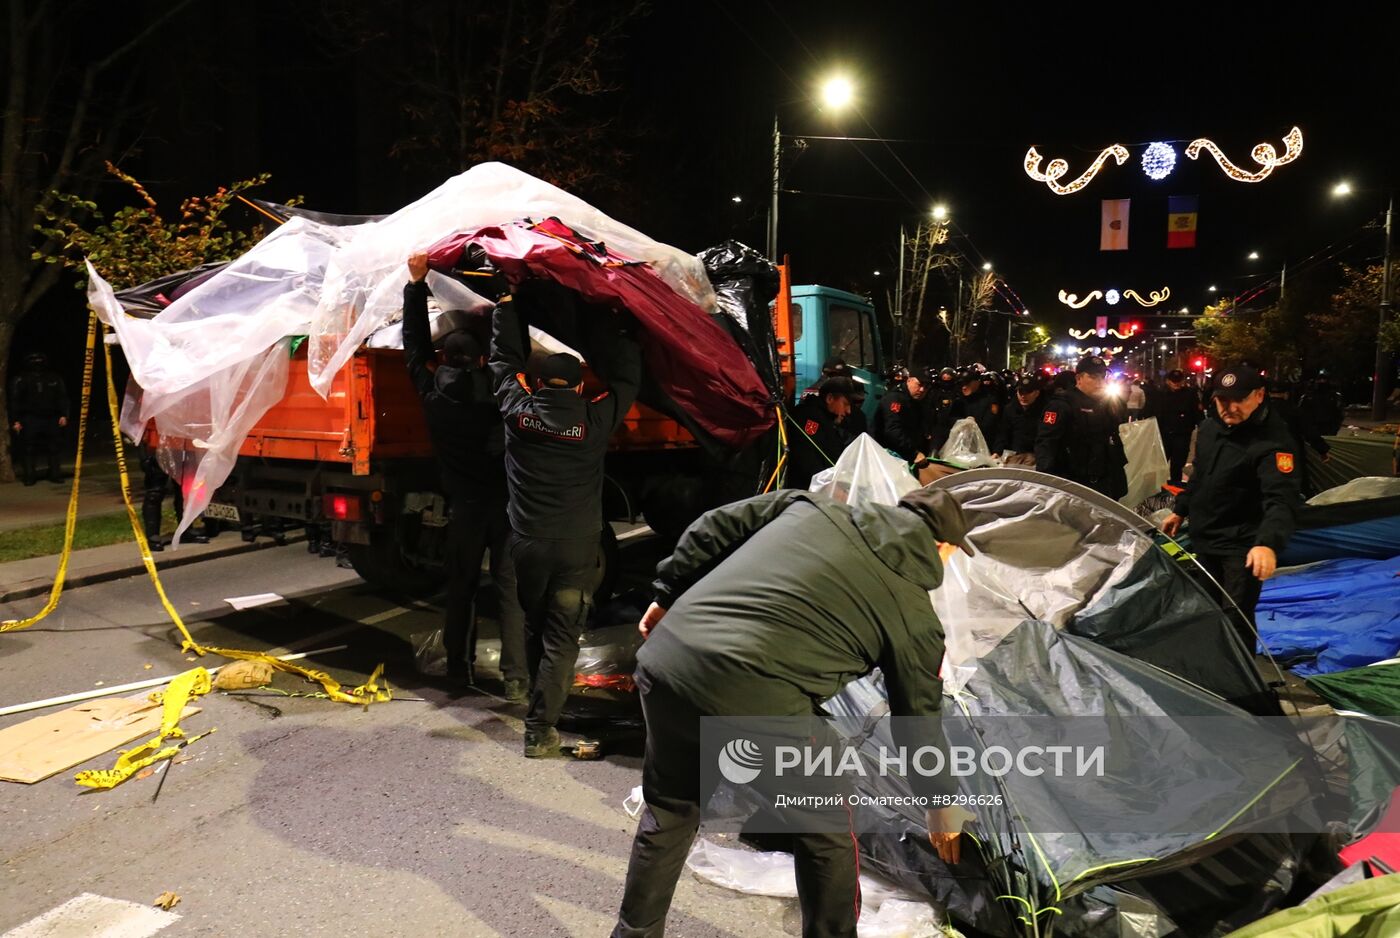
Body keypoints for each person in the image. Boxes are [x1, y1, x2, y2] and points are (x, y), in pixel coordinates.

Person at [612, 484, 973, 938]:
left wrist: (666, 596)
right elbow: (917, 723)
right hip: (758, 704)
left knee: (671, 809)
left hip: (669, 664)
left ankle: (633, 933)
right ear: (943, 546)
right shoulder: (915, 618)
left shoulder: (806, 507)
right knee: (824, 831)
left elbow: (710, 526)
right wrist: (940, 803)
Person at [491, 279, 641, 757]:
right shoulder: (594, 421)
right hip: (578, 549)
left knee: (536, 626)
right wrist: (621, 328)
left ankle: (537, 704)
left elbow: (501, 362)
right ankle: (541, 728)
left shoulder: (518, 412)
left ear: (536, 384)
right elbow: (626, 382)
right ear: (579, 386)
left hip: (528, 545)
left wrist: (508, 305)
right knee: (562, 635)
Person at [405, 253, 526, 698]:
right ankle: (516, 678)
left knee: (462, 589)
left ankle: (459, 669)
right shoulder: (500, 390)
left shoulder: (433, 395)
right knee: (511, 593)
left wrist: (415, 285)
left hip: (465, 509)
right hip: (506, 507)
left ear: (444, 359)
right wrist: (507, 298)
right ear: (481, 360)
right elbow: (512, 353)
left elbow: (413, 342)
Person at [1160, 363, 1301, 651]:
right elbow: (1200, 474)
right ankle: (1214, 674)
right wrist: (1181, 509)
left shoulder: (1274, 442)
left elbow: (1282, 499)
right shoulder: (1211, 428)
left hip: (1241, 545)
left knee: (1236, 619)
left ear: (1259, 395)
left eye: (1239, 399)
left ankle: (1242, 689)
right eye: (1223, 400)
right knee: (1208, 613)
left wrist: (1267, 543)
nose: (1229, 407)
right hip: (1207, 537)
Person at [1035, 356, 1128, 499]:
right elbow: (1047, 444)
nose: (1100, 382)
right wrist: (1047, 485)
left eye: (1103, 376)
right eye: (1093, 377)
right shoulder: (1062, 405)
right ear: (1079, 378)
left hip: (1104, 484)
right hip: (1075, 486)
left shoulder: (1106, 405)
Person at [9, 352, 69, 485]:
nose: (37, 363)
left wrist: (64, 414)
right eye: (34, 360)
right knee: (28, 447)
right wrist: (15, 420)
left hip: (52, 417)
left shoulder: (53, 378)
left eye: (39, 360)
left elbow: (62, 397)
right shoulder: (21, 379)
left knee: (54, 446)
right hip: (30, 418)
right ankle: (30, 475)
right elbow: (15, 400)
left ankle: (55, 473)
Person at [787, 377, 856, 490]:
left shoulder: (826, 420)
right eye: (845, 404)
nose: (848, 411)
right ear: (830, 398)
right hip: (806, 494)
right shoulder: (809, 418)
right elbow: (807, 462)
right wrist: (829, 488)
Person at [1267, 380, 1330, 497]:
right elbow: (1309, 432)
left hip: (1265, 455)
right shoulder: (1294, 411)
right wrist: (1323, 450)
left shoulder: (1261, 411)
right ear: (1286, 394)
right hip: (1289, 454)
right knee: (1296, 485)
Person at [1154, 369, 1204, 485]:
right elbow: (1154, 412)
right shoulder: (1161, 394)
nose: (1176, 384)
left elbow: (1197, 413)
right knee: (1159, 465)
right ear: (1167, 381)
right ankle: (1157, 488)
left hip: (1182, 434)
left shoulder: (1190, 393)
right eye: (1173, 381)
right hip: (1164, 434)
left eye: (1178, 381)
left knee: (1178, 464)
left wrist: (1203, 428)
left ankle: (1174, 489)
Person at [872, 368, 928, 461]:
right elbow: (893, 430)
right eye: (919, 385)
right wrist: (913, 452)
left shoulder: (914, 400)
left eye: (925, 386)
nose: (922, 389)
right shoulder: (894, 398)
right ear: (909, 380)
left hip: (906, 453)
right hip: (891, 455)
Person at [994, 373, 1047, 466]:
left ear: (1037, 393)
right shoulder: (1010, 409)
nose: (1023, 396)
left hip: (1036, 457)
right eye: (1021, 392)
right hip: (1015, 456)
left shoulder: (1045, 410)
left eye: (1028, 392)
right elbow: (1003, 433)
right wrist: (997, 452)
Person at [949, 365, 1000, 451]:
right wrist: (963, 422)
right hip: (960, 446)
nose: (964, 387)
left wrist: (974, 424)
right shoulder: (958, 400)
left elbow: (992, 425)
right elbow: (950, 419)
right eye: (962, 384)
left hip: (984, 446)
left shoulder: (989, 400)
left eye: (967, 384)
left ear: (977, 383)